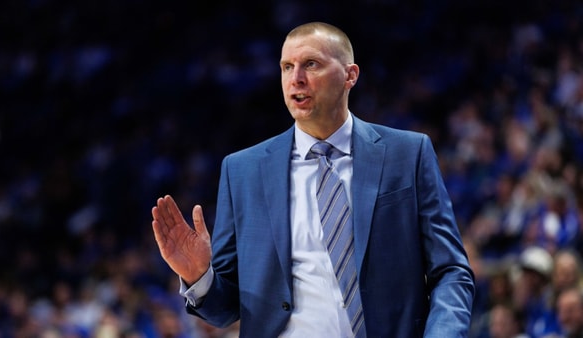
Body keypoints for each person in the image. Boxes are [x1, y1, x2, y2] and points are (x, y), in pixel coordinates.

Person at [151, 21, 475, 337]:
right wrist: (199, 276)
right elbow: (226, 309)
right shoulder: (242, 171)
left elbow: (450, 271)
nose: (297, 79)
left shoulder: (408, 153)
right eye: (286, 67)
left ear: (350, 75)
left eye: (311, 64)